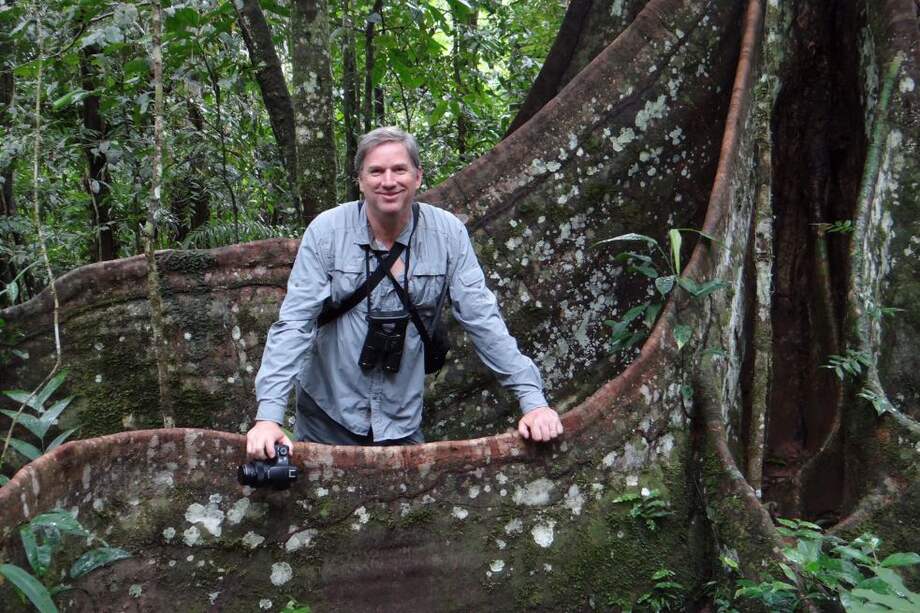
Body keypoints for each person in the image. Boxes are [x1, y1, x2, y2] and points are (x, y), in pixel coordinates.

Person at [246, 127, 563, 459]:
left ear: (417, 176)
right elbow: (295, 323)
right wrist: (268, 417)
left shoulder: (447, 234)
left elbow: (483, 319)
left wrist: (534, 403)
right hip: (328, 412)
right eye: (376, 171)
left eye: (399, 169)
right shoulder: (327, 232)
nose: (388, 181)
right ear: (360, 180)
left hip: (400, 418)